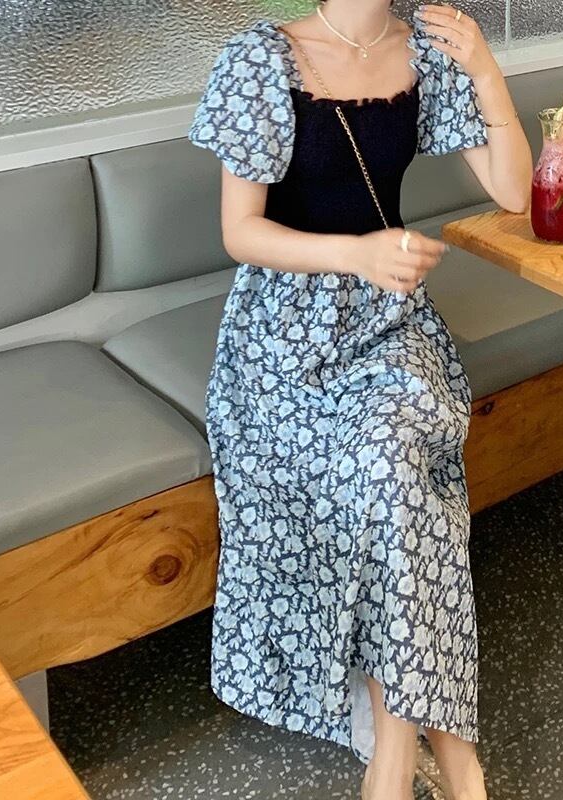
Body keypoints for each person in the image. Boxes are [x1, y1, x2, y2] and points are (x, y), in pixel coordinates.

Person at [187, 2, 532, 798]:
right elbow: (240, 232)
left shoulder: (429, 50)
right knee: (390, 482)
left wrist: (485, 69)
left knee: (394, 461)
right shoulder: (262, 59)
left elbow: (514, 191)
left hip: (388, 324)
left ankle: (396, 753)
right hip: (280, 334)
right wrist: (357, 255)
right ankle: (453, 754)